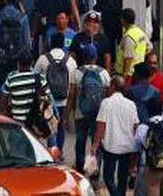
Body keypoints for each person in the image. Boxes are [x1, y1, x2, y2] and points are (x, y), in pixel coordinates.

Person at [92, 75, 140, 196]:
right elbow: (136, 127)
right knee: (123, 177)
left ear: (112, 86)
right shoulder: (131, 104)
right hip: (128, 146)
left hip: (111, 145)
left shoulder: (106, 103)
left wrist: (95, 145)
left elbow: (101, 125)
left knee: (108, 177)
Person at [70, 42, 110, 175]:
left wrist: (67, 114)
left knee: (80, 141)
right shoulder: (103, 73)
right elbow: (108, 94)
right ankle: (94, 173)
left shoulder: (77, 72)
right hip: (99, 114)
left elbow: (72, 95)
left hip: (80, 113)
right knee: (96, 143)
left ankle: (80, 171)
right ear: (96, 56)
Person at [34, 33, 78, 150]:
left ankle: (52, 152)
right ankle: (60, 153)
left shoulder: (43, 59)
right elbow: (73, 82)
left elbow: (35, 76)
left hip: (48, 100)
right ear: (63, 44)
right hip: (65, 100)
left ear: (51, 43)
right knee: (61, 127)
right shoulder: (71, 61)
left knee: (50, 127)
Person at [0, 0, 32, 93]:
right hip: (18, 58)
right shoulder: (23, 17)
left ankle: (1, 106)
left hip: (2, 57)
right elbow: (27, 42)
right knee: (17, 83)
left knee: (0, 83)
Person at [116, 7, 151, 77]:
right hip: (138, 71)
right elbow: (149, 47)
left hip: (129, 74)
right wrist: (139, 57)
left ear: (123, 20)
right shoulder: (140, 32)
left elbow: (128, 58)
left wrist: (124, 77)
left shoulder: (129, 36)